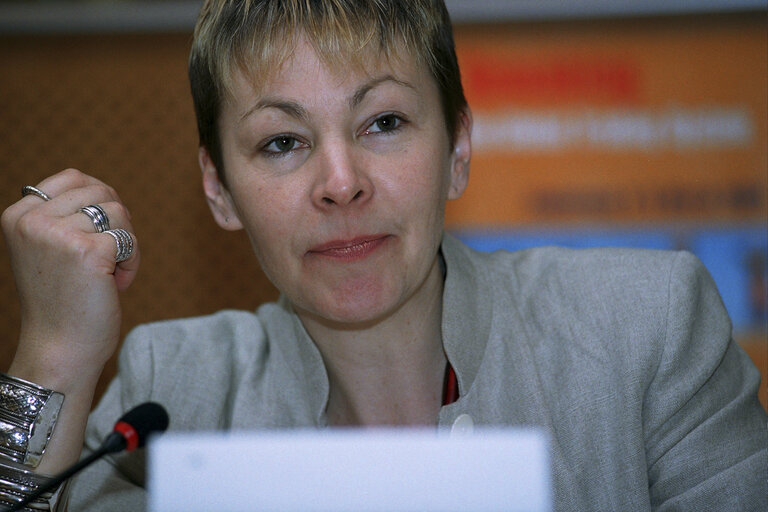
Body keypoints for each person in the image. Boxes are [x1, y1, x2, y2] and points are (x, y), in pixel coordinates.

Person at [0, 1, 765, 510]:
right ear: (221, 189)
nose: (340, 183)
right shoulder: (176, 389)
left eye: (384, 123)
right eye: (282, 141)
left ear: (458, 149)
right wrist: (55, 351)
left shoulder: (645, 328)